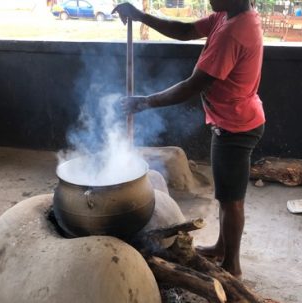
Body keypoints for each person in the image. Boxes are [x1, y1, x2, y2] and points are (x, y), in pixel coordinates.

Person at [112, 0, 265, 279]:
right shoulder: (229, 14)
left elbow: (193, 85)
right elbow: (185, 31)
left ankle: (232, 266)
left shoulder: (234, 31)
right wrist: (141, 16)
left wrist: (145, 102)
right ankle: (222, 247)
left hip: (236, 126)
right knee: (225, 195)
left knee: (232, 201)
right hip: (229, 120)